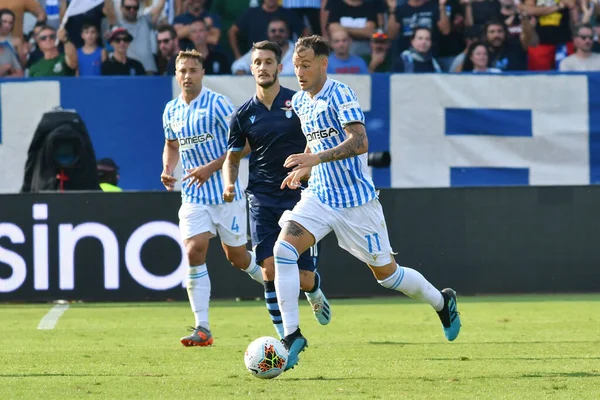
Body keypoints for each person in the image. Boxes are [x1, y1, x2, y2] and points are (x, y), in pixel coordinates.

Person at [273, 35, 462, 371]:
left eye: (305, 65)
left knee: (387, 275)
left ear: (323, 63)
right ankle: (291, 335)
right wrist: (306, 168)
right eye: (295, 66)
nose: (299, 72)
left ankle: (441, 301)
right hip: (319, 196)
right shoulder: (301, 102)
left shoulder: (340, 93)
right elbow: (314, 140)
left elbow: (360, 142)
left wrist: (315, 158)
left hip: (356, 204)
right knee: (283, 251)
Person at [222, 40, 331, 340]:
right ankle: (286, 339)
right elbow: (231, 159)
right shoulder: (242, 115)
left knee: (303, 279)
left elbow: (317, 141)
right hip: (261, 198)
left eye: (268, 62)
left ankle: (315, 286)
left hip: (299, 198)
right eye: (257, 62)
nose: (263, 67)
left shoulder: (299, 103)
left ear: (279, 67)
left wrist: (306, 168)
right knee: (268, 269)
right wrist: (229, 183)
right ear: (251, 68)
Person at [161, 49, 263, 347]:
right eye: (182, 71)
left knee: (238, 258)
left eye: (193, 70)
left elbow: (244, 146)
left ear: (202, 73)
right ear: (176, 74)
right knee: (194, 249)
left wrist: (210, 168)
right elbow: (171, 145)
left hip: (225, 191)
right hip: (193, 195)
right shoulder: (171, 110)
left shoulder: (218, 104)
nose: (187, 76)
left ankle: (273, 282)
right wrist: (168, 169)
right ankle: (202, 327)